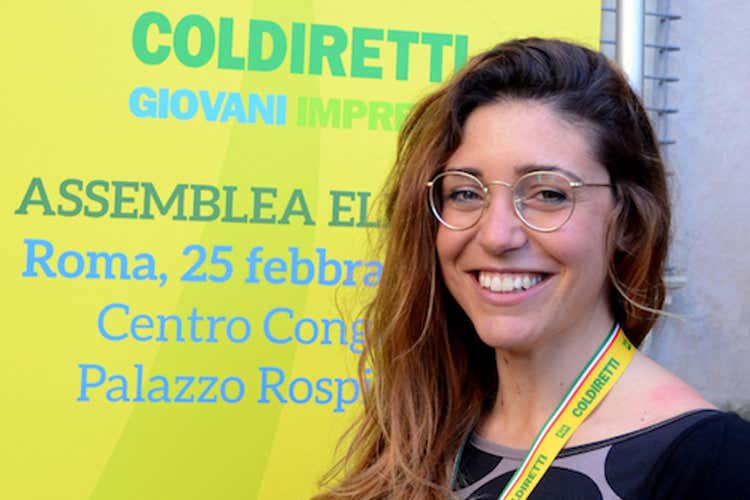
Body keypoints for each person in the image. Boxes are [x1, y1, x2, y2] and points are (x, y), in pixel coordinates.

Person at [314, 38, 750, 499]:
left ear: (628, 222)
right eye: (465, 193)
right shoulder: (421, 438)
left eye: (548, 194)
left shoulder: (714, 465)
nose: (496, 235)